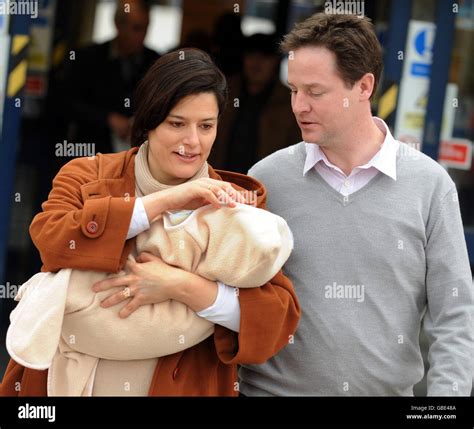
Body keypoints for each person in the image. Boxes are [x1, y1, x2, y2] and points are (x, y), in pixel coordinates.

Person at [0, 48, 300, 396]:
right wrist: (163, 202)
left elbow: (275, 324)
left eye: (206, 126)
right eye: (177, 123)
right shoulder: (85, 174)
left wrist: (181, 287)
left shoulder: (235, 203)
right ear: (148, 120)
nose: (193, 142)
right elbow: (52, 241)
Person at [240, 13, 473, 396]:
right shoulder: (267, 179)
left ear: (364, 86)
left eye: (315, 92)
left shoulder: (430, 187)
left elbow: (455, 317)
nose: (298, 106)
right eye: (293, 90)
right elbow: (236, 297)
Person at [63, 0, 159, 154]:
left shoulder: (156, 62)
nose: (141, 36)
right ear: (118, 25)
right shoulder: (88, 58)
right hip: (91, 153)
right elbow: (68, 102)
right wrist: (107, 118)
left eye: (145, 28)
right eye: (136, 28)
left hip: (138, 156)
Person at [210, 33, 300, 173]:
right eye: (251, 55)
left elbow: (296, 153)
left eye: (265, 56)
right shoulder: (223, 91)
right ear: (243, 58)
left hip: (265, 186)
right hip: (218, 179)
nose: (257, 62)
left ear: (275, 61)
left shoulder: (290, 102)